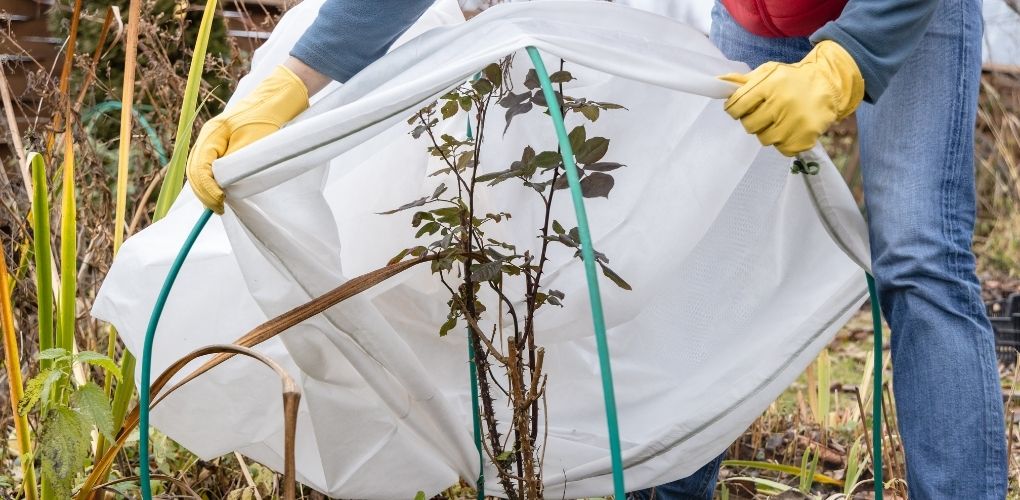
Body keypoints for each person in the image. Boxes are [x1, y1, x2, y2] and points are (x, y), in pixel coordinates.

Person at [185, 0, 1007, 498]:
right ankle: (674, 489)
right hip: (755, 19)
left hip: (900, 14)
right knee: (705, 259)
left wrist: (846, 63)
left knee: (918, 260)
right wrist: (291, 82)